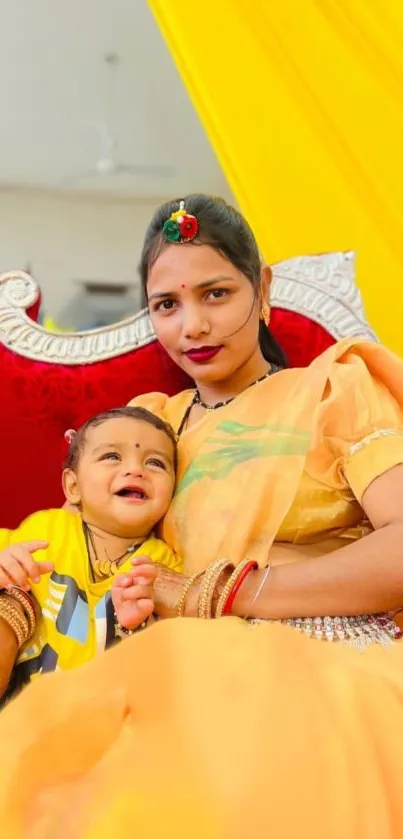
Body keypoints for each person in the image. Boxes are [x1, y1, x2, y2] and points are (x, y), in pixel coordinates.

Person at [1, 194, 403, 838]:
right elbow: (77, 546)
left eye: (216, 294)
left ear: (262, 288)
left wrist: (219, 593)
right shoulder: (146, 428)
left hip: (326, 659)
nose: (193, 326)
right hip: (164, 659)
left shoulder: (334, 391)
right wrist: (14, 565)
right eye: (168, 304)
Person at [0, 405, 181, 703]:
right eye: (112, 457)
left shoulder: (161, 565)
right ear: (73, 486)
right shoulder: (46, 529)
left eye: (156, 463)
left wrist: (138, 625)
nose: (135, 469)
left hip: (100, 718)